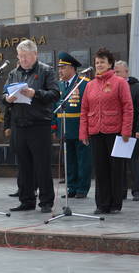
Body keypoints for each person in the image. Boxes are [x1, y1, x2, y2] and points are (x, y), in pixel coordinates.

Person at [3, 40, 60, 213]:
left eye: (26, 56)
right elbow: (4, 95)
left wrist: (35, 93)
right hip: (19, 124)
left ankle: (46, 201)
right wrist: (7, 99)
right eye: (20, 56)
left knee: (42, 165)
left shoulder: (46, 71)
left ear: (35, 54)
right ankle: (26, 200)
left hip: (39, 125)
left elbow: (55, 94)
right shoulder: (14, 73)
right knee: (24, 165)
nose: (23, 60)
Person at [79, 48, 133, 214]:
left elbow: (128, 107)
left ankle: (115, 204)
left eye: (102, 62)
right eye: (97, 62)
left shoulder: (120, 82)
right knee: (100, 170)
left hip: (115, 132)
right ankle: (102, 204)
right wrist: (84, 132)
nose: (99, 65)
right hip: (96, 132)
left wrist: (126, 131)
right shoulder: (89, 85)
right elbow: (84, 110)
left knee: (115, 169)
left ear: (110, 64)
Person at [51, 52, 92, 199]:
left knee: (83, 160)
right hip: (64, 128)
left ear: (72, 68)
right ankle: (72, 187)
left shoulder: (84, 83)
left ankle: (82, 188)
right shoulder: (59, 85)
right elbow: (54, 106)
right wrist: (54, 126)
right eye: (59, 68)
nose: (60, 71)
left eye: (63, 67)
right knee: (70, 161)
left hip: (79, 127)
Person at [115, 60, 139, 201]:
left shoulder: (138, 88)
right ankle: (121, 191)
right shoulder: (113, 87)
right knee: (119, 162)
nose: (115, 74)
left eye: (118, 72)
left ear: (126, 72)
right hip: (118, 130)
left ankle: (138, 190)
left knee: (133, 161)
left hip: (135, 131)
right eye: (114, 72)